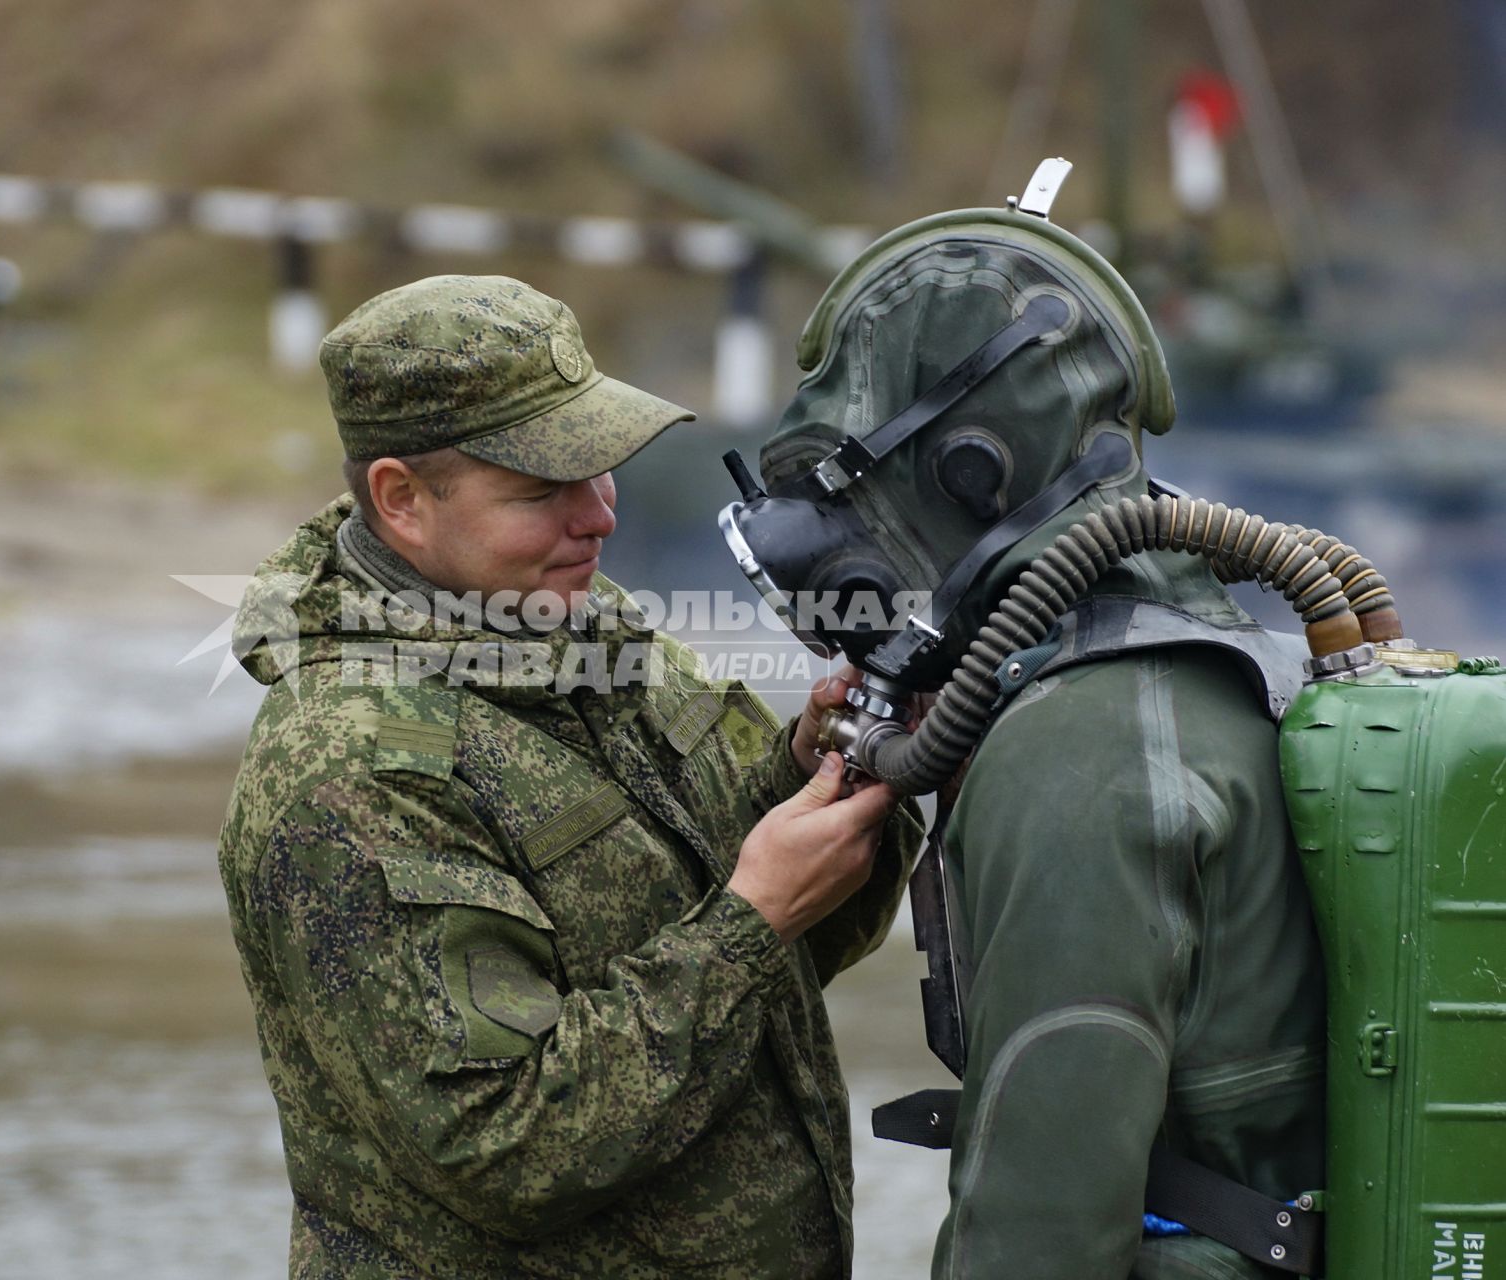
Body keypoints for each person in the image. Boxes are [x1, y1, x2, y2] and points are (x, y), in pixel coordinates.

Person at [217, 274, 923, 1278]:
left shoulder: (587, 628)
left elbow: (783, 935)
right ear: (401, 500)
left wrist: (829, 767)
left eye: (599, 471)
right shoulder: (347, 773)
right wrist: (749, 924)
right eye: (541, 490)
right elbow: (506, 1145)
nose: (596, 518)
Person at [743, 190, 1326, 1278]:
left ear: (972, 464)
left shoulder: (1081, 754)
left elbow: (1035, 1236)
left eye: (850, 480)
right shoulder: (1194, 654)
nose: (834, 534)